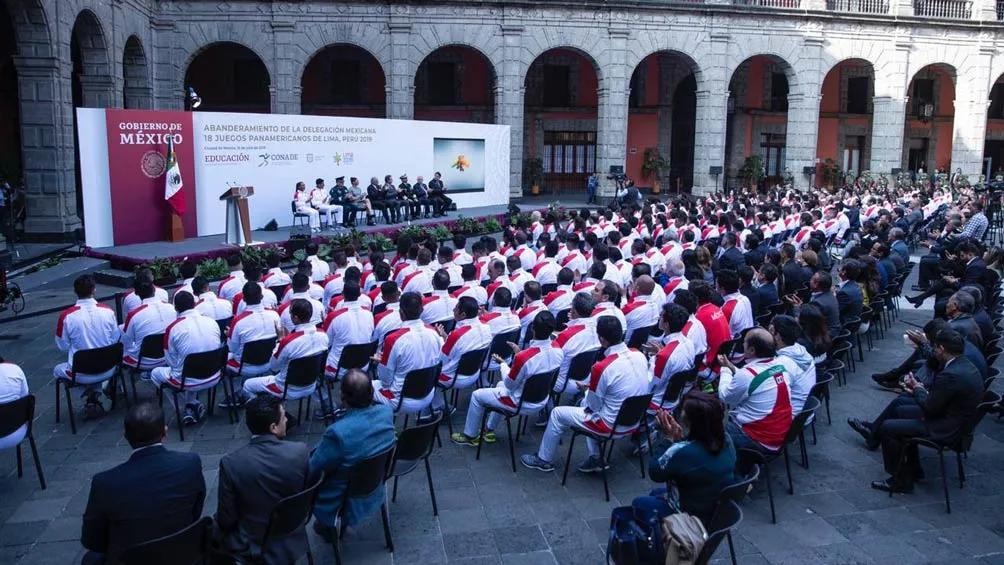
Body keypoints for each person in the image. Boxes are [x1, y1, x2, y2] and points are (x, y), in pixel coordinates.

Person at [848, 329, 983, 494]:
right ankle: (913, 468)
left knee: (889, 428)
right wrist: (918, 391)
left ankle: (900, 481)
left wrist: (917, 388)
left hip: (944, 427)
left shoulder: (951, 374)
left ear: (941, 349)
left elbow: (930, 407)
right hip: (949, 417)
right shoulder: (964, 366)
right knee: (900, 409)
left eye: (934, 349)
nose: (933, 352)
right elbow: (938, 401)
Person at [81, 403, 205, 565]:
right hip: (182, 555)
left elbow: (92, 540)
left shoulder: (105, 483)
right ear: (165, 433)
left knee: (91, 559)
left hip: (131, 559)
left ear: (126, 437)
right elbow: (196, 512)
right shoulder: (190, 464)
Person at [521, 316, 649, 473]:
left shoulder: (602, 368)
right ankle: (595, 456)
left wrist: (587, 391)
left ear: (602, 339)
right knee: (583, 405)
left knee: (557, 413)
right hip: (634, 420)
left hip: (610, 425)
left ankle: (543, 459)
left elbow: (593, 406)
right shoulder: (640, 355)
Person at [215, 395, 310, 563]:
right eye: (283, 417)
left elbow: (227, 518)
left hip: (251, 540)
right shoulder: (300, 451)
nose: (287, 419)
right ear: (273, 427)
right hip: (292, 532)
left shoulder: (231, 463)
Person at [452, 311, 564, 446]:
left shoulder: (524, 358)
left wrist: (504, 365)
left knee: (477, 396)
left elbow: (510, 385)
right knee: (499, 385)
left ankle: (470, 435)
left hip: (519, 402)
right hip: (542, 399)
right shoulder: (558, 350)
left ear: (533, 328)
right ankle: (489, 429)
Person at [310, 370, 396, 540]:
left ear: (342, 396)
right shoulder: (386, 413)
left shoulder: (337, 433)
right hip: (374, 484)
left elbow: (313, 468)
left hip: (342, 497)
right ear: (372, 393)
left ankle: (326, 525)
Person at [632, 392, 736, 526]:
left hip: (689, 514)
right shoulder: (726, 439)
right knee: (655, 493)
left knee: (638, 504)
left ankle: (653, 540)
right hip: (713, 504)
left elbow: (655, 471)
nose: (681, 414)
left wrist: (669, 439)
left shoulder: (685, 451)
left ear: (692, 422)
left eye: (684, 412)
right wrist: (679, 441)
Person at [150, 291, 222, 425]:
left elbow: (170, 361)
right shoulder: (211, 322)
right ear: (194, 304)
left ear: (176, 308)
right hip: (214, 374)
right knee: (184, 367)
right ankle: (192, 404)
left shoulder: (172, 328)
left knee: (155, 374)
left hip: (188, 379)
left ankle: (185, 407)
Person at [55, 274, 121, 420]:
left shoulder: (66, 316)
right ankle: (96, 392)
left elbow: (63, 346)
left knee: (58, 370)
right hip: (108, 368)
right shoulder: (108, 311)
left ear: (75, 291)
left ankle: (86, 395)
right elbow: (115, 338)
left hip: (81, 372)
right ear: (94, 290)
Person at [717, 328, 792, 452]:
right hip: (780, 434)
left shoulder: (747, 375)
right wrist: (731, 366)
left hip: (758, 438)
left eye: (745, 342)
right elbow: (754, 379)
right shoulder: (781, 367)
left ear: (752, 350)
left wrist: (724, 369)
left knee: (709, 430)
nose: (742, 344)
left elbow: (725, 396)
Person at [243, 299, 329, 407]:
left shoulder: (288, 342)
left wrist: (280, 341)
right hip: (311, 385)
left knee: (247, 385)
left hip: (286, 389)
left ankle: (268, 417)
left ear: (295, 318)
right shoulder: (323, 335)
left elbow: (273, 367)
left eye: (291, 314)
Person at [372, 292, 444, 410]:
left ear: (401, 313)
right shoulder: (435, 334)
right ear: (422, 310)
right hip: (428, 393)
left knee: (362, 385)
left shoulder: (393, 340)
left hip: (401, 400)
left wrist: (381, 363)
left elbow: (385, 380)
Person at [224, 282, 280, 406]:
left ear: (243, 299)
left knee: (224, 359)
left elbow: (232, 348)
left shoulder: (238, 321)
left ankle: (236, 395)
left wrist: (229, 335)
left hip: (245, 366)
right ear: (262, 297)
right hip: (268, 363)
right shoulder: (274, 315)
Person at [434, 296, 493, 411]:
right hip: (475, 373)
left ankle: (437, 407)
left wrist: (440, 339)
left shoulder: (456, 335)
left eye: (456, 309)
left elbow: (442, 360)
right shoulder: (486, 327)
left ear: (463, 315)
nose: (453, 311)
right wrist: (446, 336)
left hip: (456, 377)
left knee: (431, 371)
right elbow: (460, 347)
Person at [121, 279, 175, 371]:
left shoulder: (134, 315)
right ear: (154, 289)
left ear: (137, 294)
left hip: (144, 361)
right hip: (169, 357)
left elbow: (127, 342)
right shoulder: (171, 308)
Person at [770, 315, 816, 413]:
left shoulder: (782, 365)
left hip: (790, 416)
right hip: (803, 412)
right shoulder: (801, 350)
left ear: (778, 336)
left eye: (770, 330)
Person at [836, 259, 864, 324]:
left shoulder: (844, 293)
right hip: (854, 321)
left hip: (843, 324)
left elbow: (835, 311)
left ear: (844, 272)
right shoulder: (856, 285)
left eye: (840, 268)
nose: (839, 269)